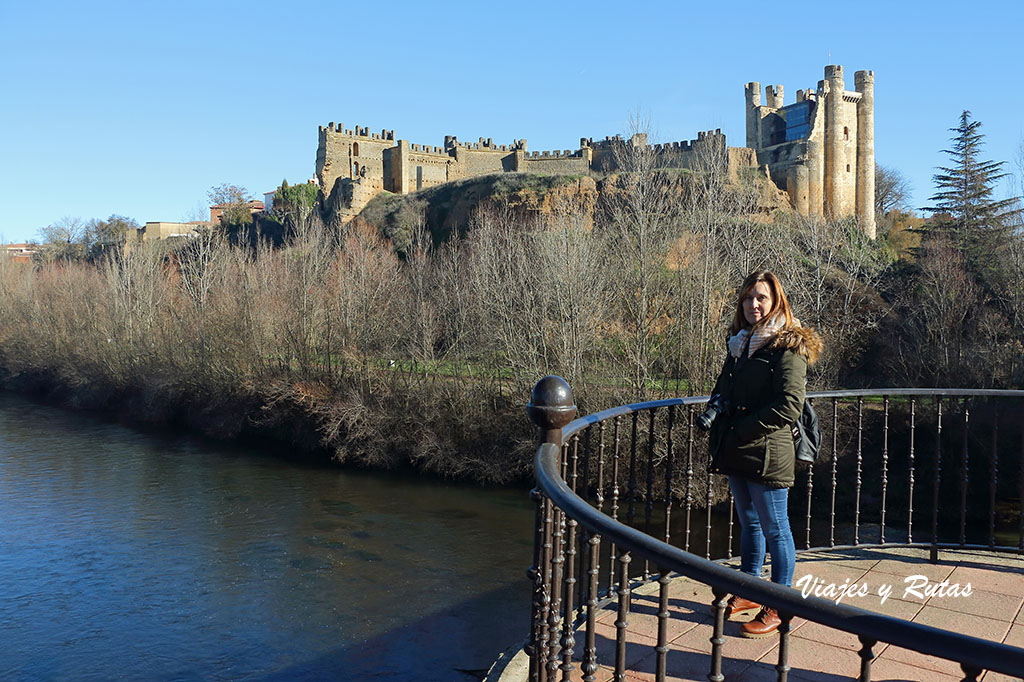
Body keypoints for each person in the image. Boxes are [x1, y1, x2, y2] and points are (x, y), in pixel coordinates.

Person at [707, 270, 822, 638]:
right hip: (739, 449)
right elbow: (726, 386)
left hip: (769, 451)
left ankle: (780, 603)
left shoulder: (787, 345)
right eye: (747, 298)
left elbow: (790, 404)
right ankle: (749, 589)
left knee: (776, 528)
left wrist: (742, 428)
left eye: (761, 298)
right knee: (750, 522)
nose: (753, 304)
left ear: (776, 303)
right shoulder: (741, 343)